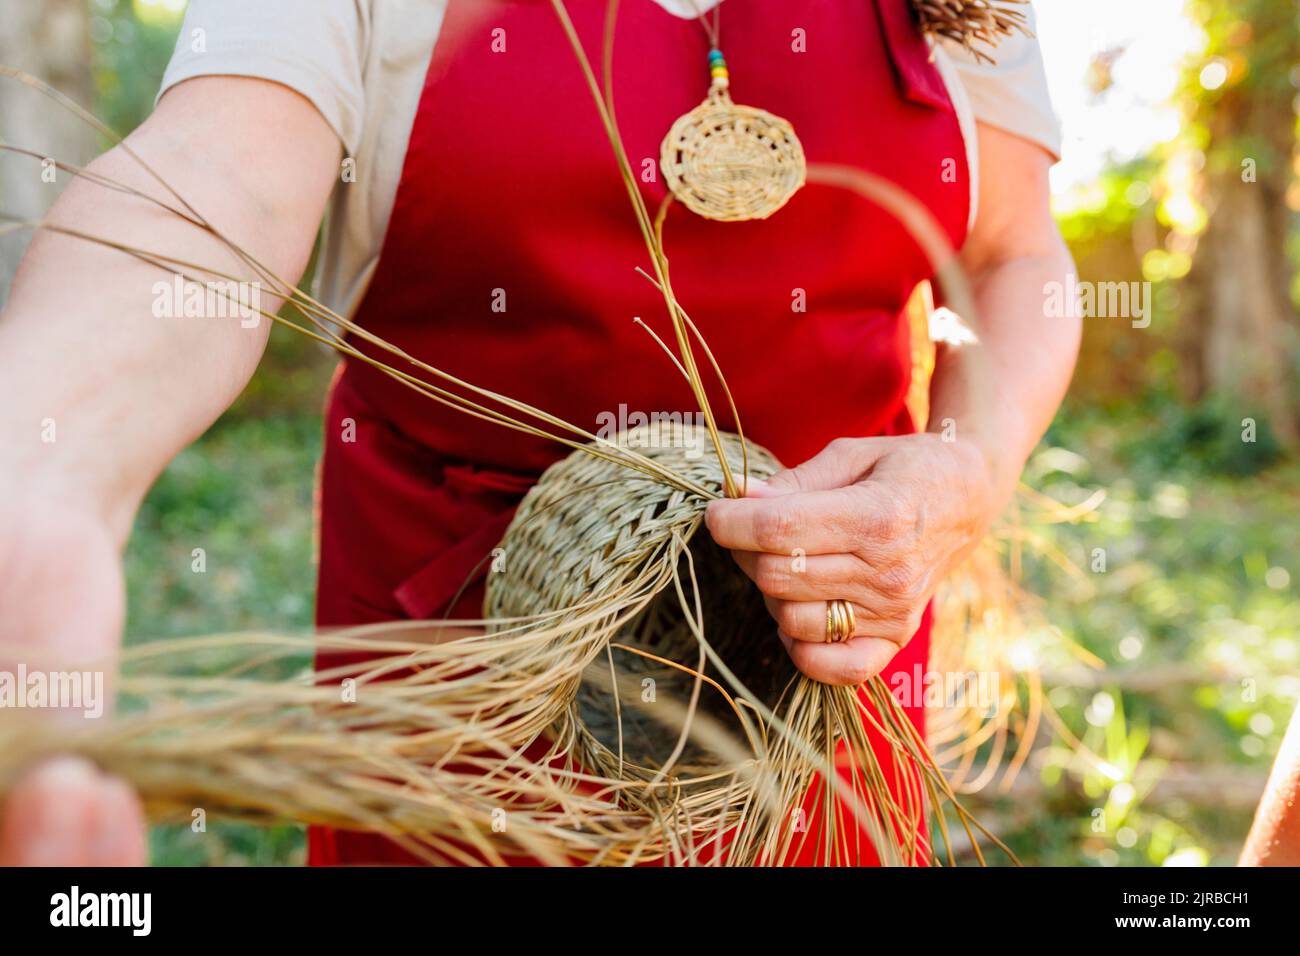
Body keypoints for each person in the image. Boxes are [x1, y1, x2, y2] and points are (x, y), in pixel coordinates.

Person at [0, 0, 1076, 865]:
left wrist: (965, 468)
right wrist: (35, 477)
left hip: (824, 650)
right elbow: (213, 179)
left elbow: (1014, 254)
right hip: (453, 680)